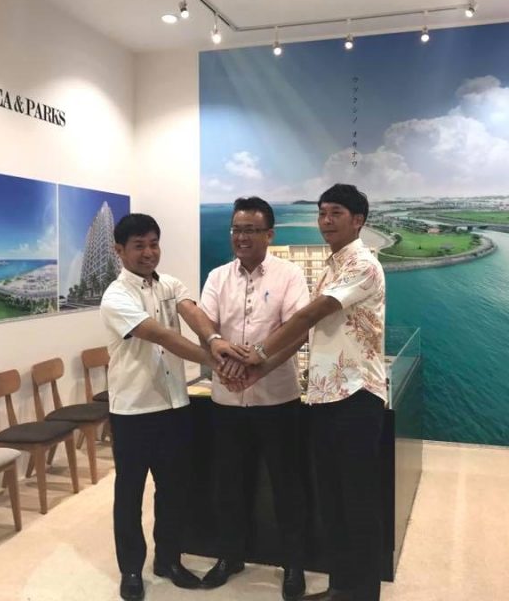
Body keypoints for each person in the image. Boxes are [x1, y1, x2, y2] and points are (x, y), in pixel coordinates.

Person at [246, 184, 387, 601]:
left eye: (336, 213)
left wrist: (258, 351)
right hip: (324, 397)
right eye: (322, 213)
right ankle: (341, 587)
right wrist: (260, 370)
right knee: (333, 501)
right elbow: (308, 333)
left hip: (357, 396)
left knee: (358, 503)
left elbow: (309, 315)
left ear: (358, 220)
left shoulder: (364, 264)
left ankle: (363, 594)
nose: (325, 221)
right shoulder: (331, 266)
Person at [100, 213, 246, 601]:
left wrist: (213, 339)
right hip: (133, 410)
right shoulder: (116, 296)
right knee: (129, 494)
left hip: (175, 405)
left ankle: (168, 560)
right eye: (139, 246)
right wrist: (214, 359)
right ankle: (131, 570)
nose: (149, 252)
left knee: (173, 490)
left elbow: (192, 312)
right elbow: (160, 335)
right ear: (119, 250)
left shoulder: (169, 284)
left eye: (154, 244)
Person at [199, 196, 310, 601]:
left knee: (287, 484)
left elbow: (298, 330)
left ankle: (293, 563)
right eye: (236, 229)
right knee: (229, 484)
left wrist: (259, 364)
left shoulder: (289, 275)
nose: (241, 237)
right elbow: (206, 326)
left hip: (277, 399)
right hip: (227, 401)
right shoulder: (217, 277)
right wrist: (220, 354)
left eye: (250, 230)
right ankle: (230, 556)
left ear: (269, 234)